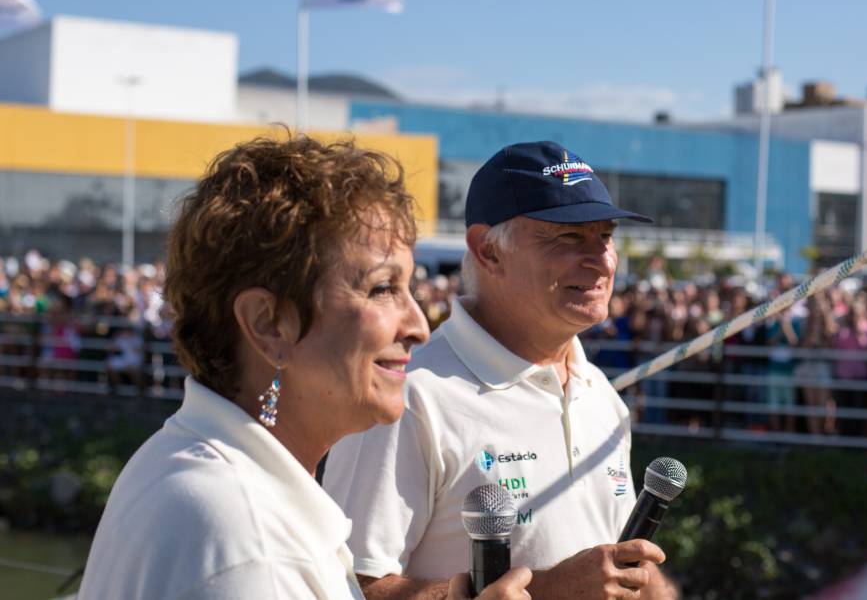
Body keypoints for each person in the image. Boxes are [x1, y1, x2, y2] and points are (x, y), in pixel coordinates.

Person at [78, 135, 531, 600]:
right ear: (268, 323)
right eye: (382, 289)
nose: (418, 325)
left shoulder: (182, 461)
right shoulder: (252, 545)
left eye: (410, 287)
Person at [324, 141, 675, 599]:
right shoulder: (407, 393)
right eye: (569, 237)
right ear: (487, 250)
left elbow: (610, 575)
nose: (601, 259)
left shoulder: (600, 395)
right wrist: (548, 591)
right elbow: (346, 588)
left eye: (604, 236)